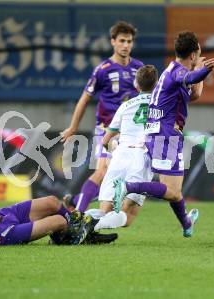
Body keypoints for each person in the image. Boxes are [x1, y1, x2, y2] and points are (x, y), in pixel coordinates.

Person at [113, 31, 214, 237]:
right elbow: (190, 77)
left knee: (175, 191)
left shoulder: (172, 70)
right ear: (194, 55)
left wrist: (198, 70)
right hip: (165, 135)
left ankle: (187, 225)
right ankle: (126, 187)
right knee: (171, 191)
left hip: (159, 134)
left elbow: (194, 94)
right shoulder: (178, 73)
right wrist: (203, 71)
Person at [60, 21, 144, 212]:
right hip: (107, 129)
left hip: (130, 133)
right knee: (103, 171)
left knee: (123, 177)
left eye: (129, 41)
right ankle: (78, 215)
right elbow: (84, 99)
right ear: (113, 41)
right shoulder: (103, 69)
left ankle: (76, 201)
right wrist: (73, 127)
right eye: (122, 41)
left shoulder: (139, 68)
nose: (126, 45)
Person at [84, 65, 157, 230]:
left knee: (105, 209)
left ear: (136, 85)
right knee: (128, 215)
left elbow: (105, 140)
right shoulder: (161, 106)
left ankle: (79, 221)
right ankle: (94, 227)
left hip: (121, 154)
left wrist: (112, 153)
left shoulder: (125, 106)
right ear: (156, 85)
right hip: (142, 157)